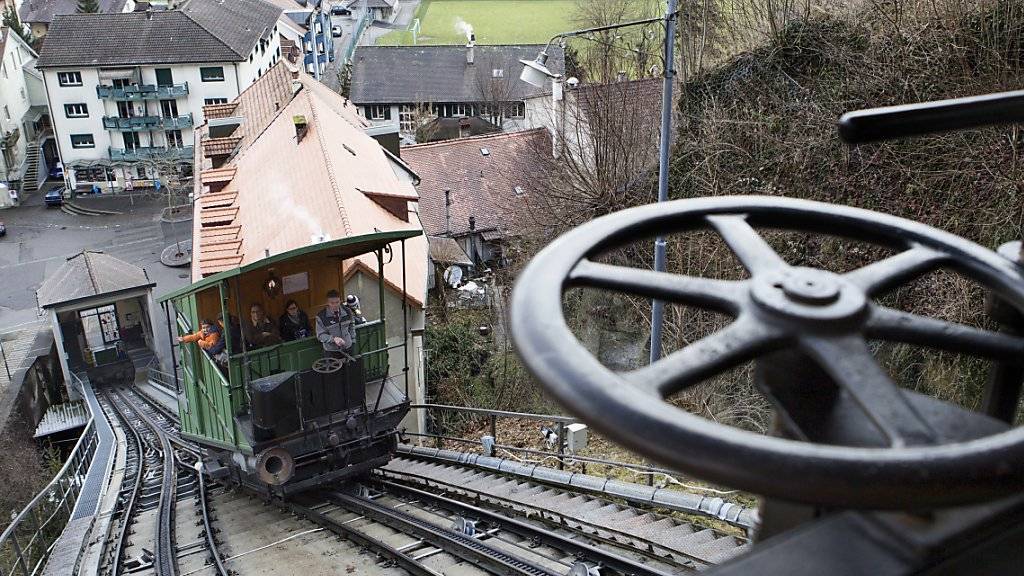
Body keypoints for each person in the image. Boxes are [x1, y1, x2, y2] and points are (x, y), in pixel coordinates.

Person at [316, 289, 356, 359]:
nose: (335, 305)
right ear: (327, 303)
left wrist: (352, 341)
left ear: (340, 301)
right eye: (332, 303)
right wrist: (333, 339)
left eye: (337, 302)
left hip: (348, 347)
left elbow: (351, 326)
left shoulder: (348, 311)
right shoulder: (321, 316)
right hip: (332, 351)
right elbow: (320, 335)